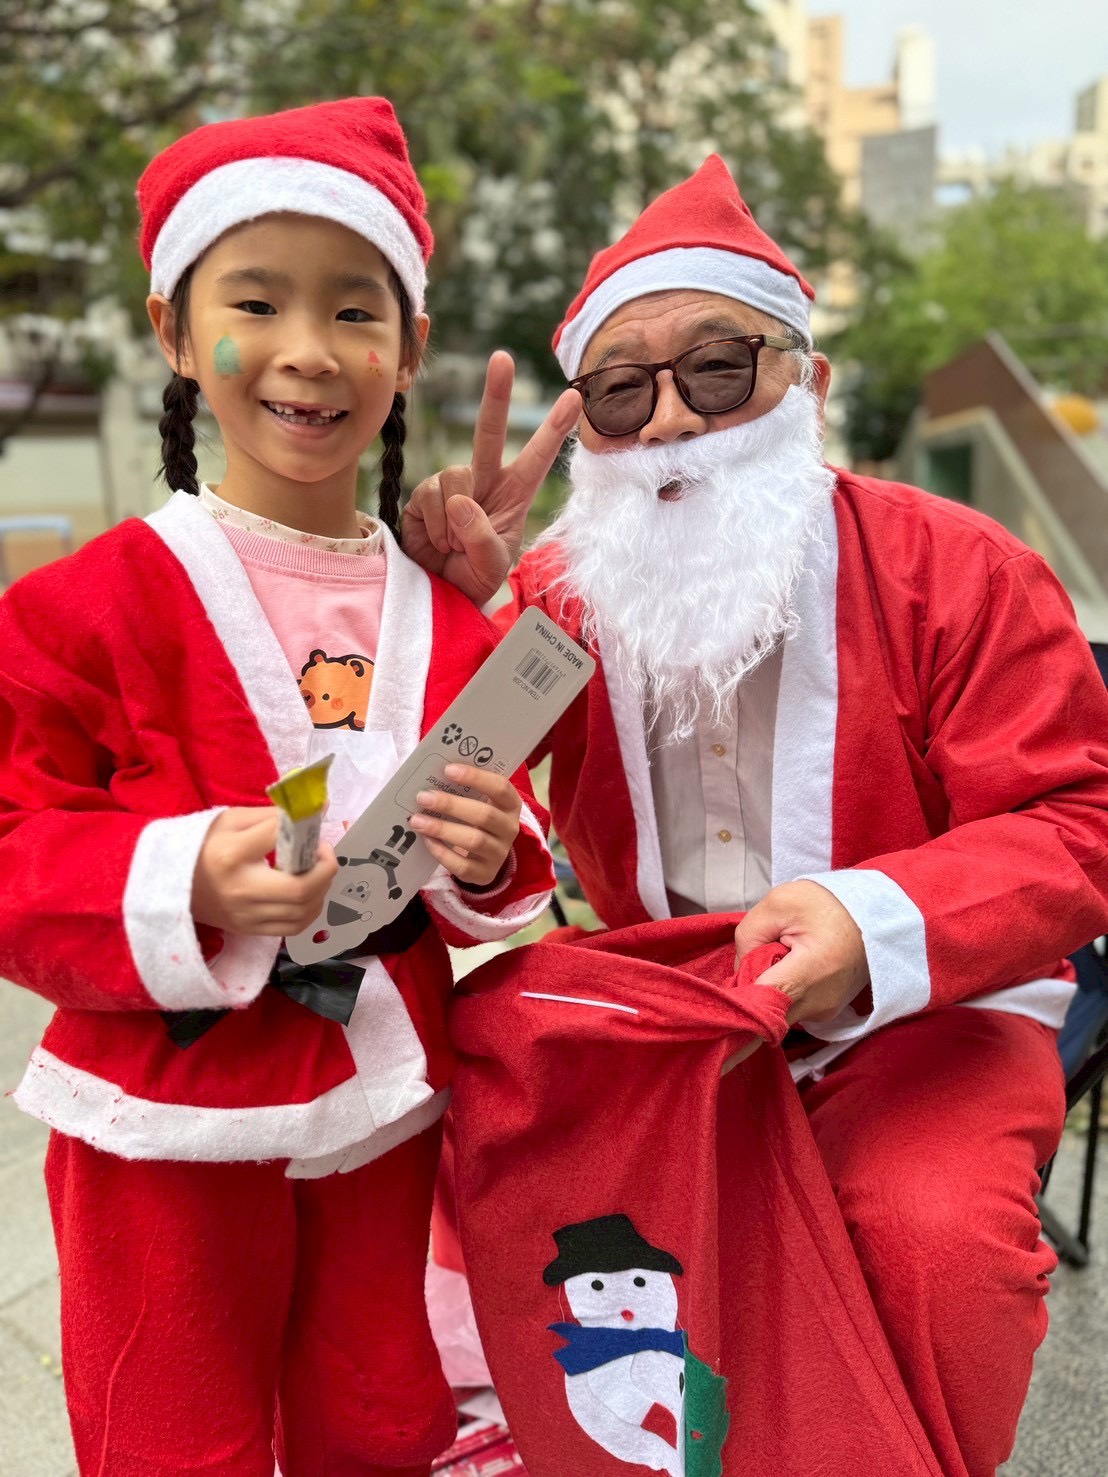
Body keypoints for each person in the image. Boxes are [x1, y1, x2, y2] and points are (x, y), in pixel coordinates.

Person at [403, 156, 1108, 1475]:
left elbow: (1076, 821)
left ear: (808, 382)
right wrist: (446, 614)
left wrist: (867, 918)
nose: (672, 421)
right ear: (592, 432)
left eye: (718, 368)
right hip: (668, 1003)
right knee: (487, 1132)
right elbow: (427, 812)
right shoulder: (556, 599)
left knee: (935, 1241)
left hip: (927, 1006)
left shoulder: (962, 568)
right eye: (624, 391)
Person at [0, 97, 555, 1477]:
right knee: (170, 1428)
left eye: (356, 311)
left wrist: (491, 855)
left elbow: (499, 827)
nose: (308, 349)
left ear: (408, 351)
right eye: (256, 301)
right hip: (168, 1113)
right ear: (176, 333)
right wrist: (178, 876)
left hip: (386, 1099)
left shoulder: (447, 616)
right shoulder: (82, 608)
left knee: (378, 1413)